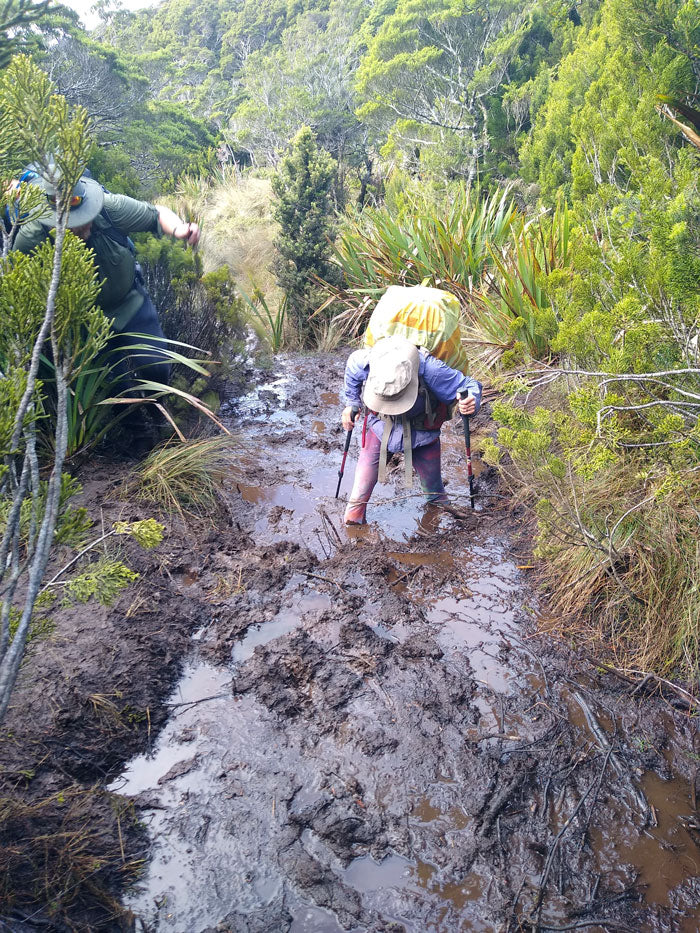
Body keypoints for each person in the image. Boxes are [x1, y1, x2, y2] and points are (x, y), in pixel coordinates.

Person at [12, 170, 200, 389]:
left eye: (82, 217)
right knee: (115, 387)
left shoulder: (109, 208)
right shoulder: (31, 238)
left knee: (157, 365)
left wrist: (178, 229)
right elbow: (20, 286)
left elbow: (156, 214)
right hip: (85, 326)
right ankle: (134, 421)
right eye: (69, 223)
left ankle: (158, 411)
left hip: (131, 304)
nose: (78, 226)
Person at [341, 334, 482, 525]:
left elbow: (468, 385)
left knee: (436, 497)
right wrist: (351, 403)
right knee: (356, 503)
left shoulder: (431, 369)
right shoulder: (369, 360)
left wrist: (471, 400)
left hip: (422, 433)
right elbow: (352, 368)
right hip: (379, 427)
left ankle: (438, 534)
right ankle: (354, 526)